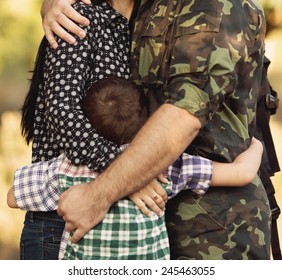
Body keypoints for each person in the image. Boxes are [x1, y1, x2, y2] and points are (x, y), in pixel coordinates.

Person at [41, 0, 272, 260]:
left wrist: (100, 193)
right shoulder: (143, 7)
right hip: (141, 233)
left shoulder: (214, 5)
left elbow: (184, 114)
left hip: (216, 229)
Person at [7, 76, 263, 259]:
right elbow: (242, 173)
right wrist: (256, 143)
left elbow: (12, 198)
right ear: (147, 123)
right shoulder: (164, 168)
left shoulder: (65, 168)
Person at [17, 0, 151, 260]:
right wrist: (129, 172)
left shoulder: (155, 25)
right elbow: (61, 111)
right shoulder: (79, 16)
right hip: (61, 217)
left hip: (126, 228)